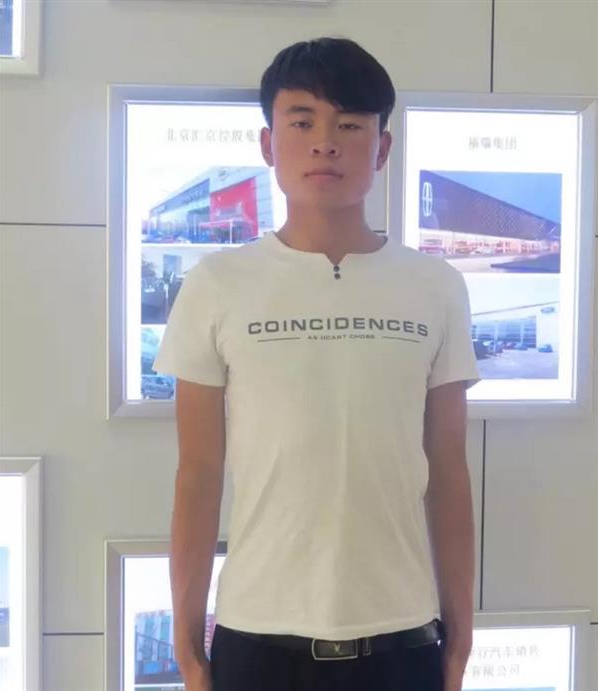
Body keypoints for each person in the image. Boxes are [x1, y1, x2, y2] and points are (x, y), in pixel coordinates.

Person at [154, 37, 480, 691]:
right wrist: (187, 646)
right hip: (257, 640)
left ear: (381, 148)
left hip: (402, 637)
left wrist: (461, 635)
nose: (325, 143)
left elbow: (448, 470)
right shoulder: (218, 285)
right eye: (302, 122)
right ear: (269, 143)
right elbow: (198, 473)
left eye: (350, 125)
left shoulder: (434, 286)